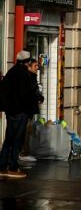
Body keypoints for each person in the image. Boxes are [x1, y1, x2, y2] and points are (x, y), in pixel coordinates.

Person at [0, 51, 43, 179]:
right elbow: (26, 94)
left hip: (12, 111)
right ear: (27, 61)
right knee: (17, 140)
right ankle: (12, 166)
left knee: (9, 139)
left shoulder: (12, 71)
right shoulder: (23, 73)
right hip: (20, 111)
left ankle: (3, 166)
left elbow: (5, 90)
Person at [19, 58, 43, 164]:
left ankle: (24, 152)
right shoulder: (27, 77)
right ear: (29, 67)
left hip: (30, 109)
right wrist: (37, 97)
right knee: (25, 131)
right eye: (35, 66)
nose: (37, 68)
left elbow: (35, 91)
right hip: (26, 110)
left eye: (37, 66)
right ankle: (22, 153)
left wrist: (40, 97)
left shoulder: (32, 77)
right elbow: (30, 93)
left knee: (28, 131)